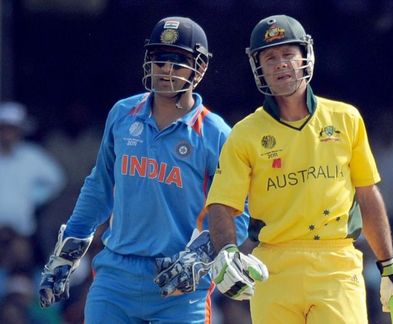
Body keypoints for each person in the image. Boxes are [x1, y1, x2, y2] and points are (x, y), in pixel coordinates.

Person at [206, 15, 393, 323]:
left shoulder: (346, 118)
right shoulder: (245, 133)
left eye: (288, 54)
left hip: (335, 265)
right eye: (270, 58)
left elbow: (367, 194)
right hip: (272, 268)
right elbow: (221, 205)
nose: (280, 64)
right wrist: (226, 251)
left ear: (305, 56)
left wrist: (389, 267)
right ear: (258, 67)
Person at [38, 16, 249, 323]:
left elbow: (237, 211)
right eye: (159, 60)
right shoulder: (123, 113)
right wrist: (66, 254)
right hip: (115, 279)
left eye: (178, 62)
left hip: (178, 285)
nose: (166, 70)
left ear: (200, 68)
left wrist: (201, 256)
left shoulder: (215, 133)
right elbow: (99, 187)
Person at [0, 101, 65, 237]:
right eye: (4, 128)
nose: (7, 133)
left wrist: (33, 197)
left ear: (20, 131)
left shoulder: (32, 155)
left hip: (20, 233)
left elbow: (57, 180)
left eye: (12, 129)